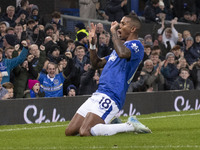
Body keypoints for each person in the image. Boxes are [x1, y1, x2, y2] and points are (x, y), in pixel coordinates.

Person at [65, 13, 151, 136]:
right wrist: (93, 44)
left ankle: (130, 125)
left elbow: (122, 53)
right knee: (70, 131)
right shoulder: (116, 50)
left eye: (123, 23)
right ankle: (111, 123)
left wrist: (112, 32)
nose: (119, 26)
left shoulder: (136, 46)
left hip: (112, 95)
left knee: (85, 131)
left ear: (133, 29)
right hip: (98, 93)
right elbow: (96, 63)